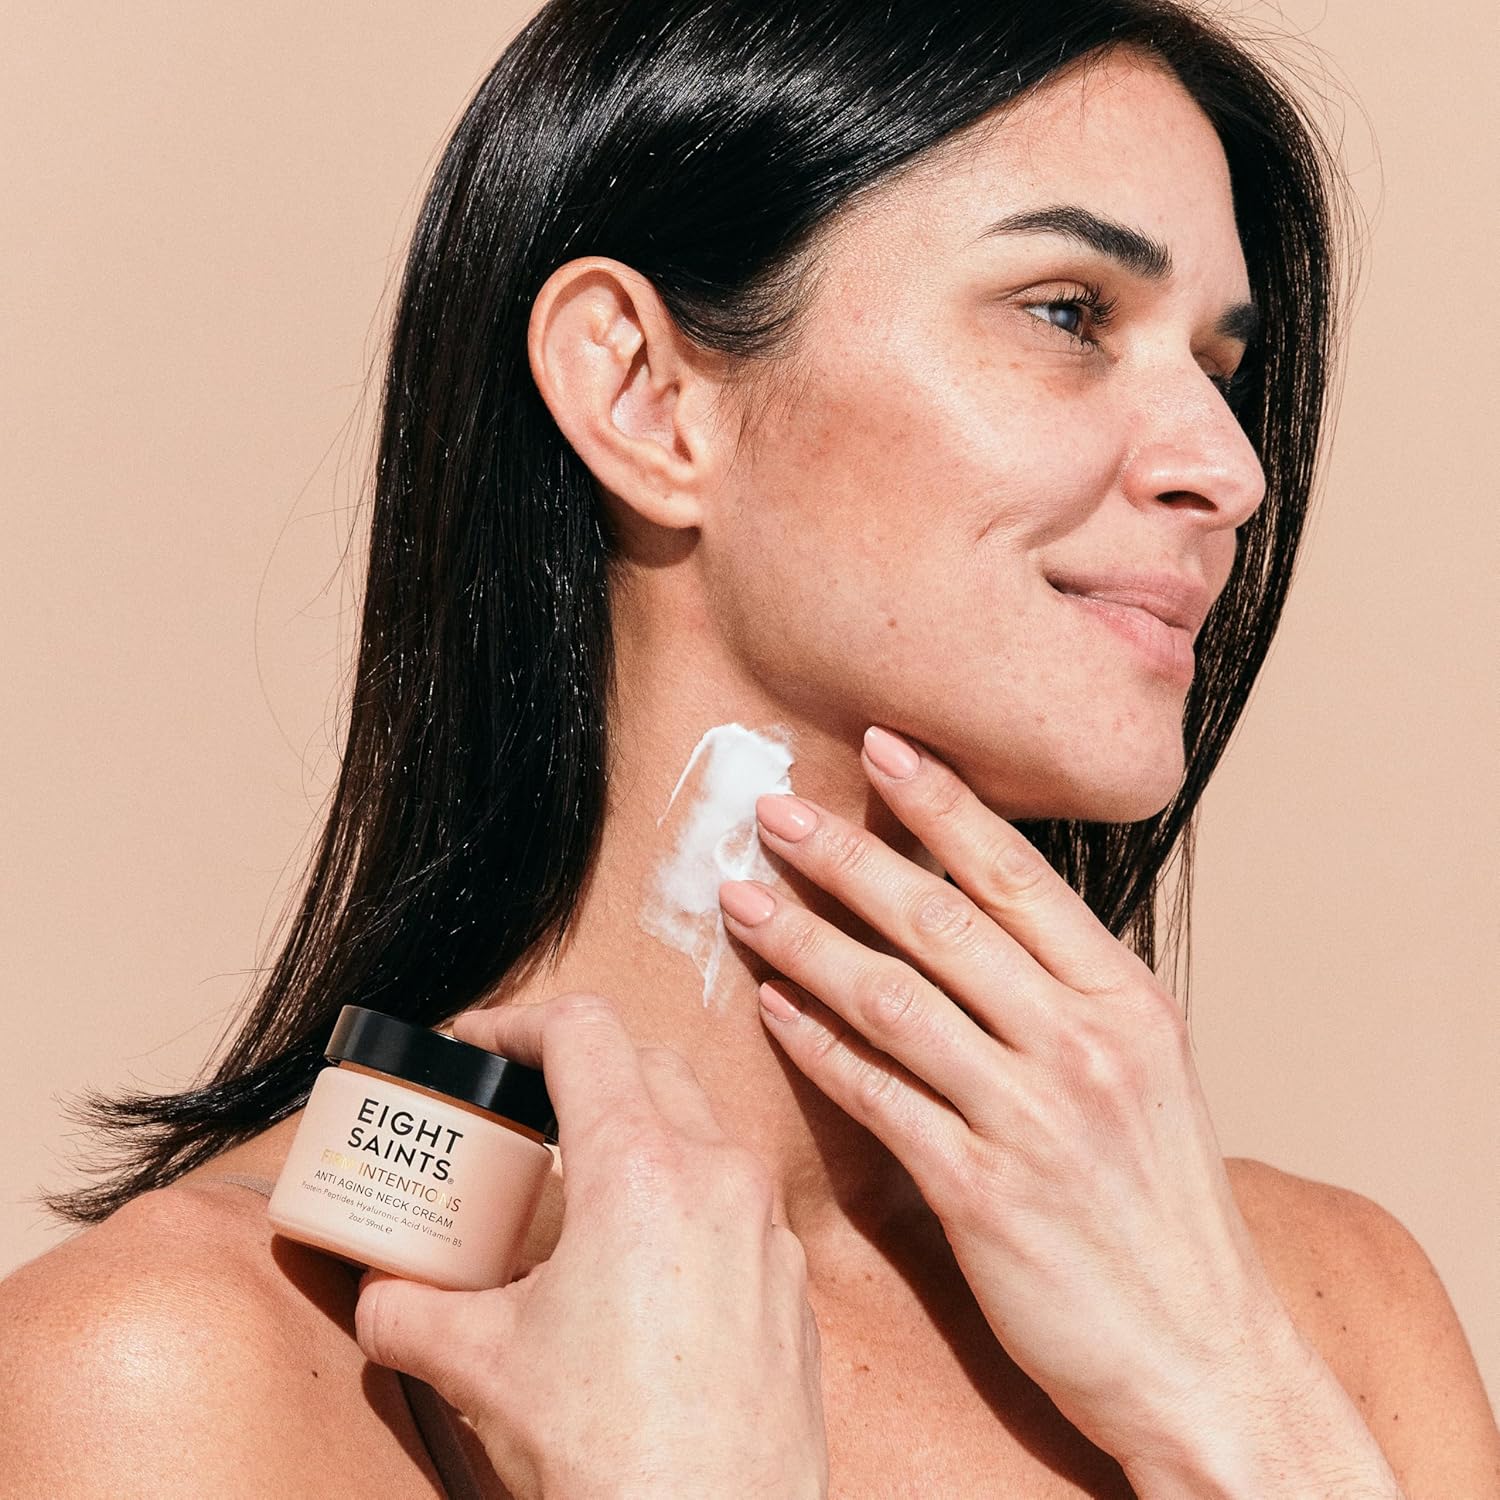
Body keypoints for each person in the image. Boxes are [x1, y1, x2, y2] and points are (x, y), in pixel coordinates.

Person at [3, 0, 1496, 1495]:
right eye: (1068, 312)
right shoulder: (187, 1372)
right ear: (643, 395)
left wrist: (1241, 1412)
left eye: (1220, 366)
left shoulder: (1327, 1316)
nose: (1228, 470)